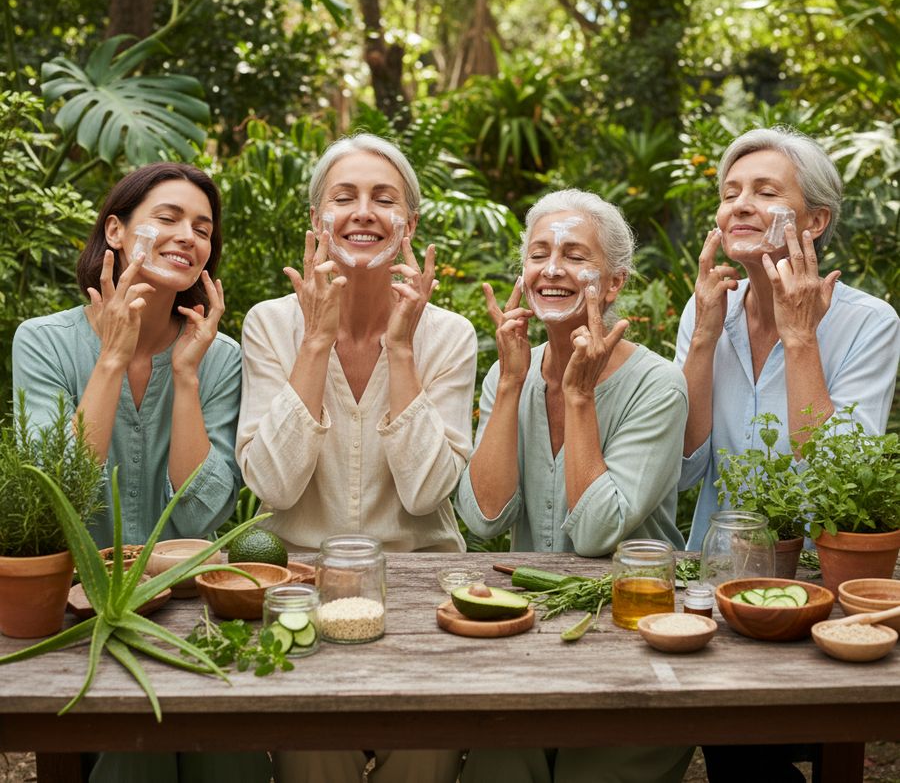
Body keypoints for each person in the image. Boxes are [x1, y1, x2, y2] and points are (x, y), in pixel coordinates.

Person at [12, 162, 268, 783]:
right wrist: (111, 358)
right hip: (82, 613)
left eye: (203, 228)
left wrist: (185, 376)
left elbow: (201, 513)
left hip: (194, 610)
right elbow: (54, 495)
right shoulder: (43, 343)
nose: (189, 236)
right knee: (136, 758)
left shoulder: (218, 356)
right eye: (168, 218)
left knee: (230, 759)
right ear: (118, 232)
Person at [236, 133, 477, 782]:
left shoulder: (448, 335)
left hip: (422, 594)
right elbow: (274, 488)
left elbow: (428, 494)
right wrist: (315, 341)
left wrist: (402, 351)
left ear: (409, 224)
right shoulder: (270, 324)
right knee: (314, 750)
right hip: (297, 595)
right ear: (318, 222)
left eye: (383, 198)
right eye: (344, 198)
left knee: (423, 752)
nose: (363, 211)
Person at [675, 126, 900, 782]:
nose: (738, 205)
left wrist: (802, 339)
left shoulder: (869, 323)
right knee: (740, 750)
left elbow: (833, 484)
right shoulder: (707, 311)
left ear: (816, 220)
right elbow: (686, 471)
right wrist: (700, 342)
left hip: (820, 591)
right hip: (720, 582)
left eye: (764, 191)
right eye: (729, 192)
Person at [456, 189, 693, 783]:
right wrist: (511, 384)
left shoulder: (658, 385)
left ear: (612, 285)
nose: (553, 268)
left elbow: (592, 534)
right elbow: (484, 521)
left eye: (575, 255)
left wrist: (579, 396)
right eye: (539, 254)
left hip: (633, 637)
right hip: (527, 632)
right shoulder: (508, 371)